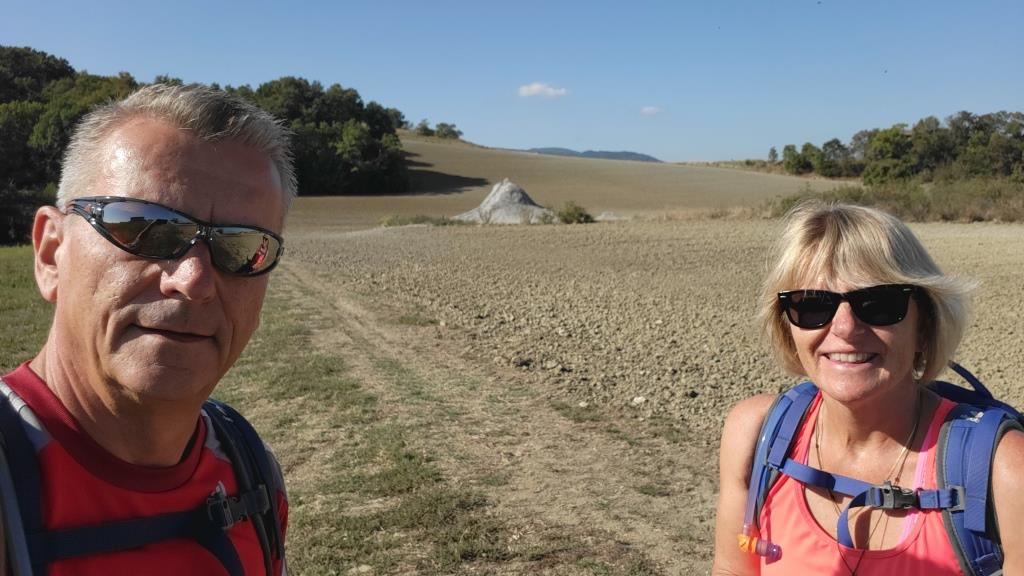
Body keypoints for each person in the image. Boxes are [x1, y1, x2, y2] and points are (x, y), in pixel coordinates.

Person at [0, 83, 296, 575]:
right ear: (52, 254)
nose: (195, 281)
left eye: (241, 247)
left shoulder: (253, 470)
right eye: (145, 228)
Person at [712, 202, 1024, 575]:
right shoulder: (755, 437)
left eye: (878, 303)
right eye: (812, 305)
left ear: (924, 325)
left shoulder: (1005, 469)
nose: (845, 328)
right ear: (787, 327)